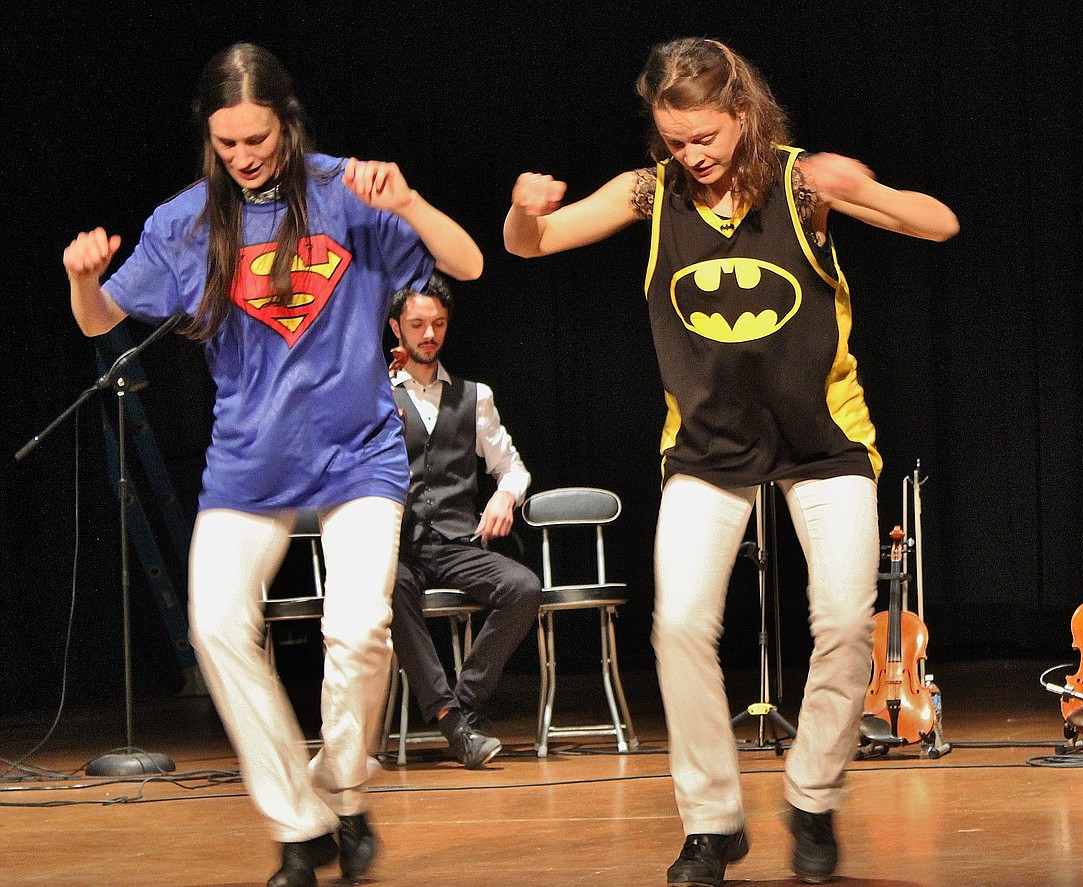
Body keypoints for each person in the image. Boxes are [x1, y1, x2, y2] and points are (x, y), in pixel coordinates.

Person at [503, 37, 958, 887]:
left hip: (825, 441)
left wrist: (859, 192)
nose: (694, 156)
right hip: (707, 450)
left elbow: (939, 222)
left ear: (742, 114)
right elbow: (532, 244)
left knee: (846, 624)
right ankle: (711, 822)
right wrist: (525, 210)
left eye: (706, 137)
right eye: (676, 141)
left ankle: (814, 793)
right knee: (677, 624)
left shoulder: (801, 181)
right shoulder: (650, 193)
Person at [63, 43, 482, 887]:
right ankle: (301, 827)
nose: (244, 156)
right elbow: (97, 318)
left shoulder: (347, 191)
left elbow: (467, 262)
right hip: (248, 461)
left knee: (359, 631)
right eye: (227, 144)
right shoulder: (185, 221)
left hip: (358, 452)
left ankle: (339, 789)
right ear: (209, 140)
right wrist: (82, 278)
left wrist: (407, 200)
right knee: (215, 624)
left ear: (287, 122)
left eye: (257, 138)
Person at [386, 272, 541, 768]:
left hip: (457, 541)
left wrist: (506, 495)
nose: (428, 335)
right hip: (398, 545)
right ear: (397, 329)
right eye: (417, 325)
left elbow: (512, 466)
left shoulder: (475, 396)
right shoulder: (375, 394)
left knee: (522, 587)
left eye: (438, 324)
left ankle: (460, 709)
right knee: (391, 587)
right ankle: (454, 725)